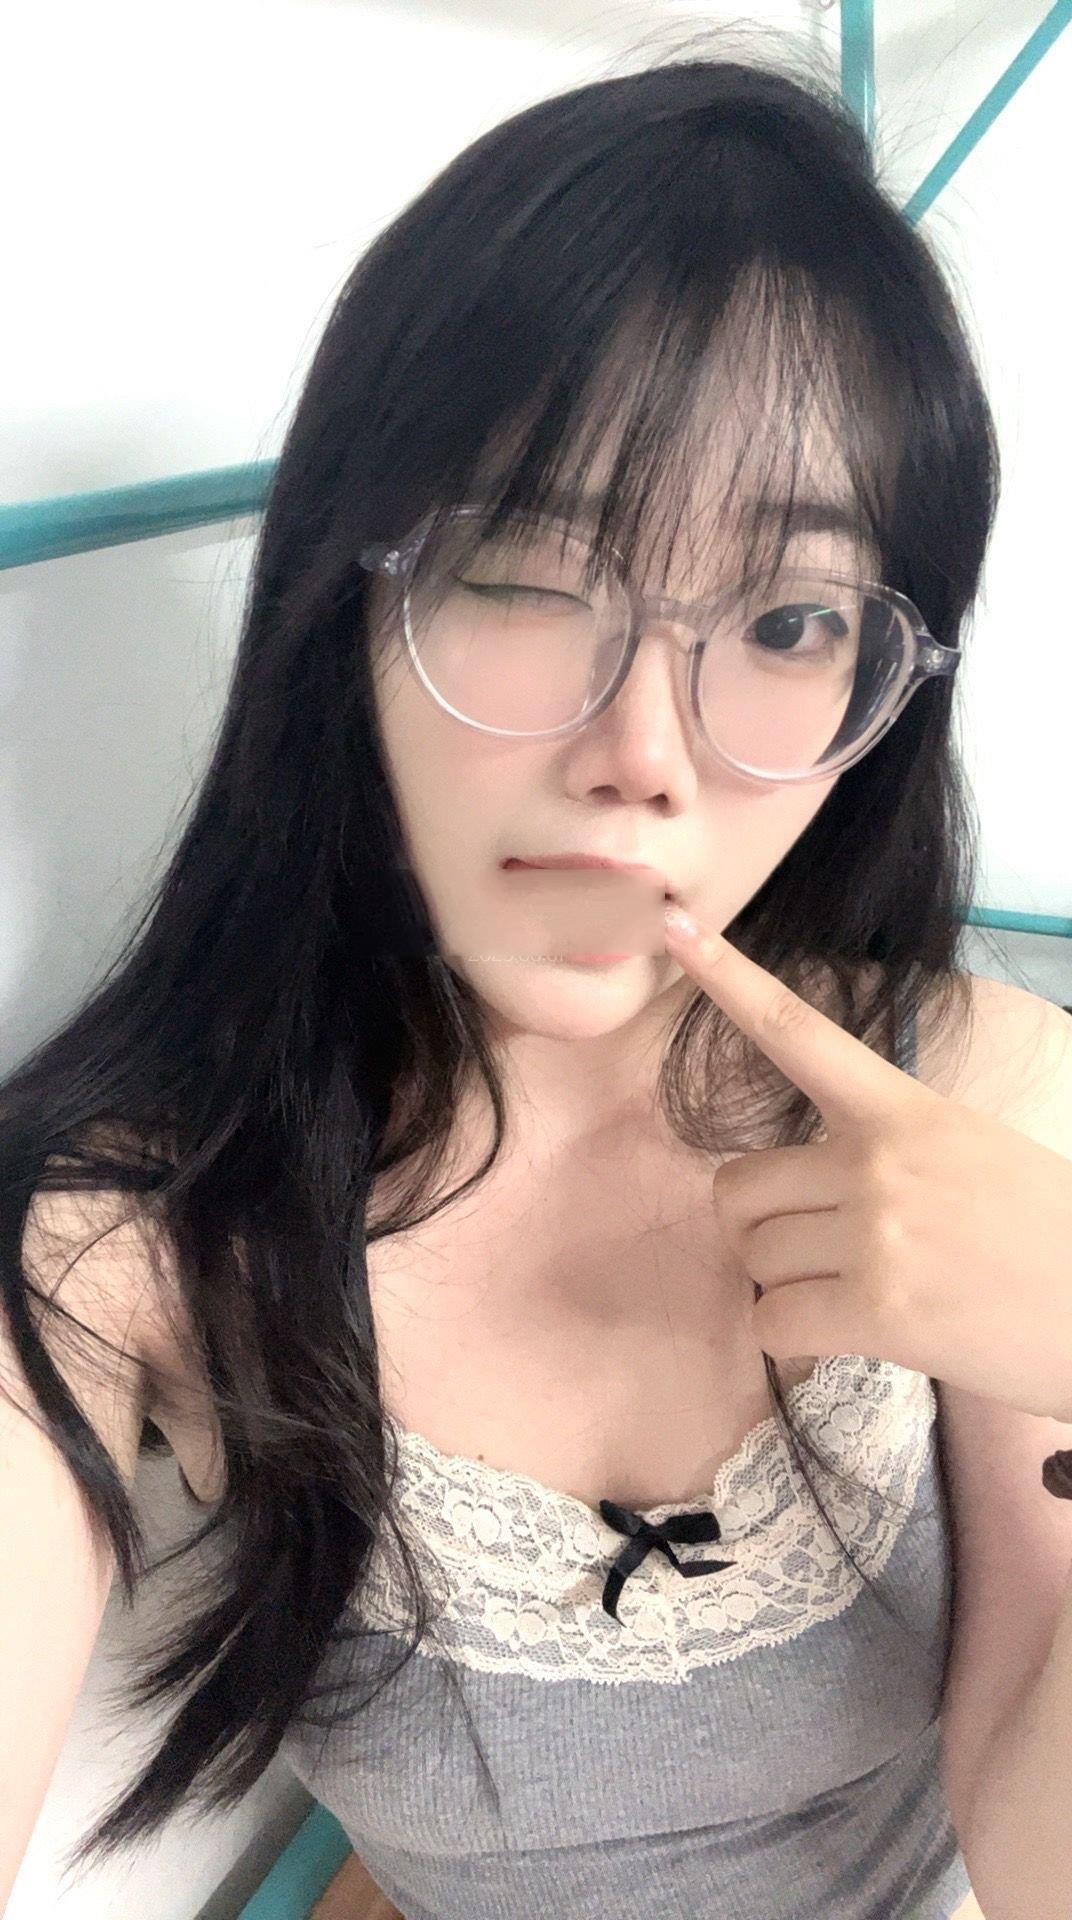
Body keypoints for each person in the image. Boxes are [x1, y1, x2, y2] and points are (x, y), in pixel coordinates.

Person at [0, 33, 1007, 1920]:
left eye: (789, 619)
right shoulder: (126, 1238)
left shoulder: (975, 1098)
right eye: (534, 574)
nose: (647, 751)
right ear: (354, 599)